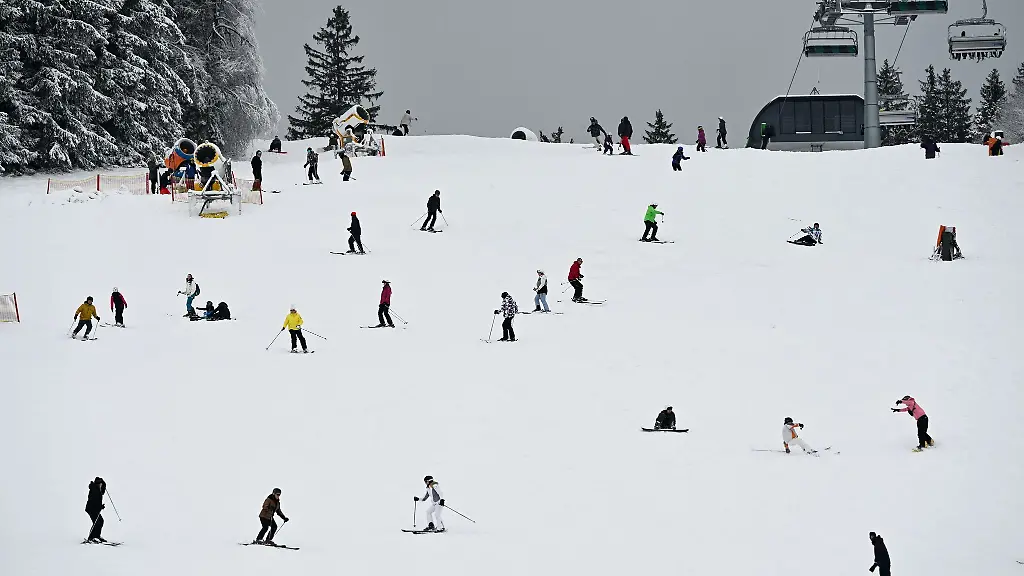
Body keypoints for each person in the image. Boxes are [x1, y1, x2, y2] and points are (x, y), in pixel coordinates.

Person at [85, 477, 107, 542]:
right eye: (99, 483)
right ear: (97, 483)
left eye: (101, 484)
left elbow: (102, 492)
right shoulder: (94, 490)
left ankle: (97, 536)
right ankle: (91, 538)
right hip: (91, 509)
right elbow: (93, 501)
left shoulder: (98, 490)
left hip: (95, 509)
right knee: (97, 522)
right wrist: (100, 507)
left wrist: (100, 506)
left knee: (100, 521)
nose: (100, 485)